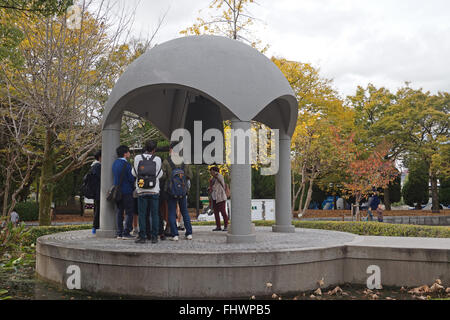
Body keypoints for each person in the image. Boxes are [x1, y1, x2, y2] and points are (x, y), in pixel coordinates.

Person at [133, 140, 163, 244]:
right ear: (154, 149)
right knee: (154, 214)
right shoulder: (157, 159)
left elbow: (134, 173)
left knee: (142, 214)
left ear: (145, 147)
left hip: (141, 190)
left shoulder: (137, 158)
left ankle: (142, 236)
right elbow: (159, 174)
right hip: (154, 190)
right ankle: (154, 237)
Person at [162, 141, 193, 241]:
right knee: (185, 212)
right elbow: (190, 176)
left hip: (171, 191)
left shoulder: (166, 161)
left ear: (171, 149)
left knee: (171, 212)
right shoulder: (185, 161)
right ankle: (189, 233)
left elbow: (162, 176)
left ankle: (175, 235)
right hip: (183, 191)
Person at [112, 145, 136, 240]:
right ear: (125, 153)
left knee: (119, 211)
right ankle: (126, 232)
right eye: (128, 152)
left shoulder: (115, 163)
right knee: (129, 212)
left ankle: (119, 233)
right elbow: (131, 178)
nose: (129, 153)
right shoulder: (127, 165)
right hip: (127, 191)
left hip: (117, 191)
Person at [208, 166, 229, 231]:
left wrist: (216, 174)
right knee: (216, 213)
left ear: (214, 171)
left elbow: (220, 179)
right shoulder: (212, 179)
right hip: (214, 197)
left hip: (220, 197)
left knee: (223, 212)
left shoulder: (219, 176)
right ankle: (218, 226)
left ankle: (226, 226)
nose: (211, 173)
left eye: (211, 171)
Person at [91, 150, 102, 234]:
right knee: (98, 209)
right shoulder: (98, 166)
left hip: (96, 191)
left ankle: (95, 227)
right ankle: (95, 227)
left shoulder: (94, 165)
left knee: (97, 209)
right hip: (98, 191)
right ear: (100, 157)